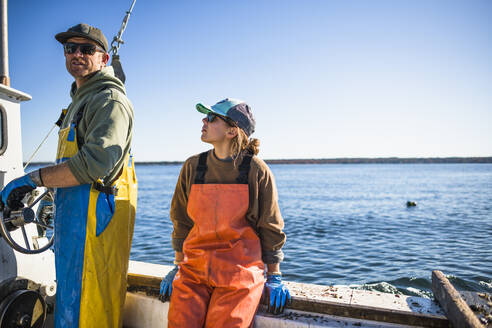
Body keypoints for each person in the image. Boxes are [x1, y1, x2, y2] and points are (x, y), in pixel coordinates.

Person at [0, 23, 137, 328]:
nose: (77, 54)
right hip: (73, 225)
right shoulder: (79, 101)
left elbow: (95, 164)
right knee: (70, 309)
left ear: (104, 59)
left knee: (91, 308)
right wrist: (49, 196)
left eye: (87, 49)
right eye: (70, 48)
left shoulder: (108, 101)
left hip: (95, 227)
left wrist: (32, 180)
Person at [159, 98, 291, 327]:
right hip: (193, 273)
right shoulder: (192, 166)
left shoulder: (256, 170)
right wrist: (178, 265)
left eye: (211, 118)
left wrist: (275, 275)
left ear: (232, 131)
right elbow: (181, 221)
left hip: (239, 276)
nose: (204, 121)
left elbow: (270, 225)